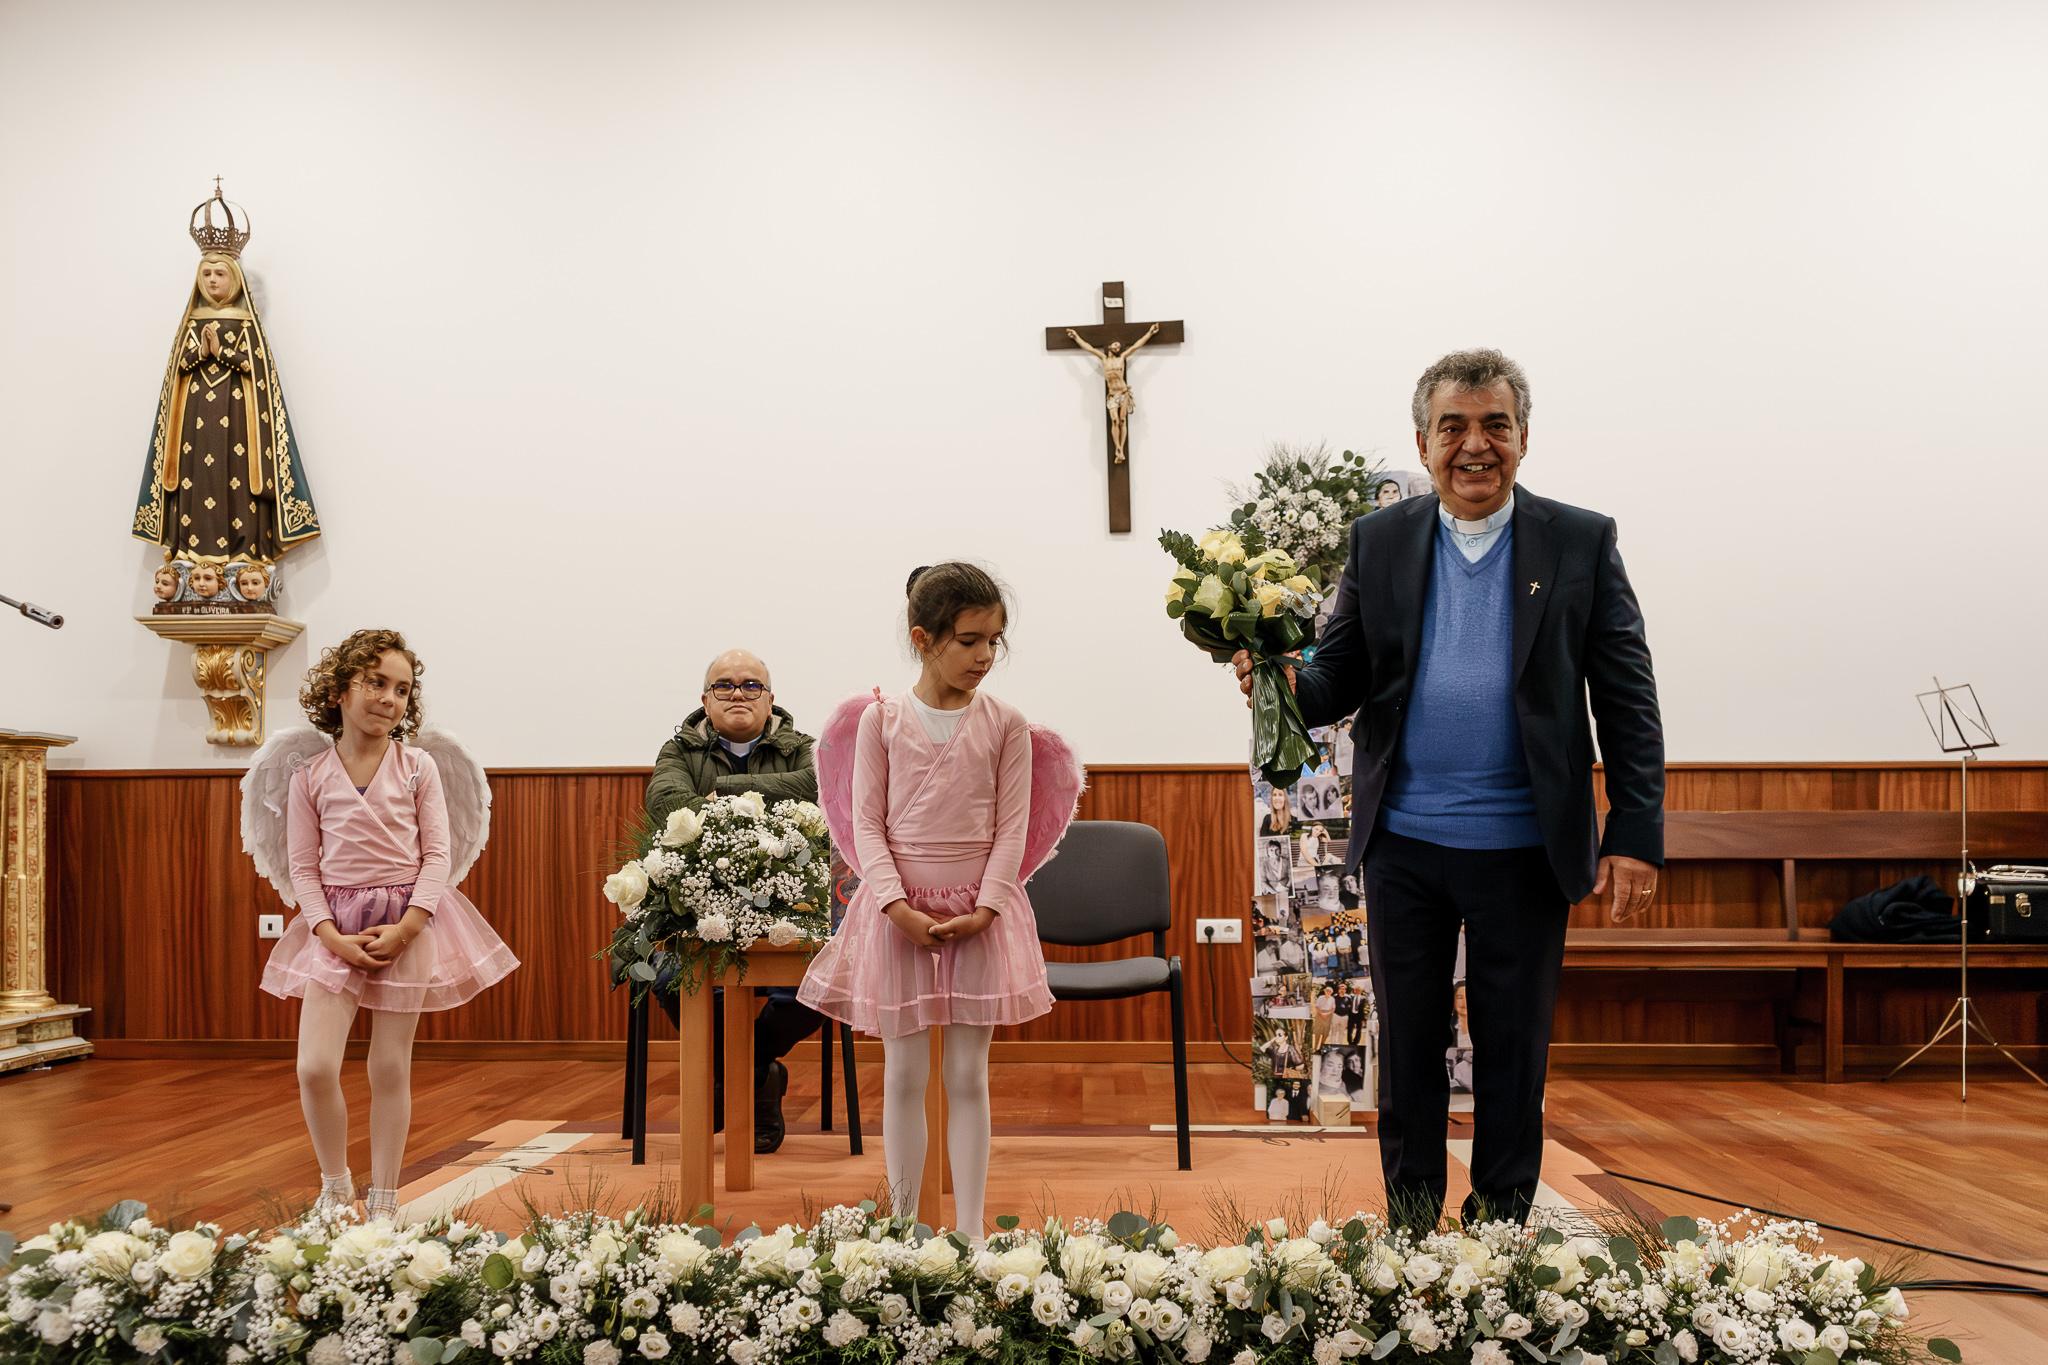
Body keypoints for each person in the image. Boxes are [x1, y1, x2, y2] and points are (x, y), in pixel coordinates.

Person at [1235, 348, 1664, 1227]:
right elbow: (1338, 678)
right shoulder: (1380, 539)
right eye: (1455, 428)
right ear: (1423, 442)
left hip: (1526, 846)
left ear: (1524, 437)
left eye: (1495, 425)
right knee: (1410, 1050)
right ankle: (1413, 1221)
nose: (1476, 446)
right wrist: (1275, 676)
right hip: (1407, 843)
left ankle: (1503, 1231)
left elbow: (1627, 695)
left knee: (1514, 1051)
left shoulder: (1581, 540)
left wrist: (1634, 833)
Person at [799, 563, 1065, 1236]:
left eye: (994, 642)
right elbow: (866, 824)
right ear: (924, 637)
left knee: (969, 1074)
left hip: (981, 911)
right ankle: (905, 1228)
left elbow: (1011, 825)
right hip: (898, 916)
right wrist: (895, 906)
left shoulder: (1006, 723)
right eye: (970, 640)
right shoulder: (880, 721)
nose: (984, 656)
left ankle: (971, 1231)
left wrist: (989, 904)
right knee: (905, 1071)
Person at [258, 630, 518, 1219]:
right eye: (375, 682)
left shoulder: (418, 767)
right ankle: (334, 1182)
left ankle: (384, 1196)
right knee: (316, 1065)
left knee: (389, 1063)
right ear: (339, 689)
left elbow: (437, 856)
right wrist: (327, 932)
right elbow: (303, 866)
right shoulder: (309, 777)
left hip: (408, 924)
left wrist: (407, 926)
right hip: (334, 929)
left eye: (401, 689)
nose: (388, 698)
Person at [645, 649, 821, 1154]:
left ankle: (743, 1070)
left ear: (771, 701)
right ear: (705, 700)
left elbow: (815, 789)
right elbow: (664, 805)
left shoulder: (804, 747)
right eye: (725, 685)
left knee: (825, 983)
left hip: (793, 910)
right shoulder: (679, 749)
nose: (738, 693)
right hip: (703, 912)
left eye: (751, 686)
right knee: (670, 979)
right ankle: (759, 1079)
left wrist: (719, 791)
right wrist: (764, 797)